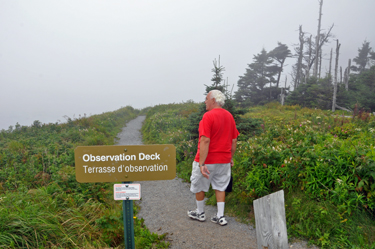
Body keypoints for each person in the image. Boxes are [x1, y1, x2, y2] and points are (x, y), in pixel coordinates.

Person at [187, 89, 239, 226]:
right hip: (224, 161)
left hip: (207, 160)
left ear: (213, 100)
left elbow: (205, 140)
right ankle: (220, 216)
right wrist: (230, 157)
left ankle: (200, 213)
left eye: (206, 99)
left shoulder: (208, 116)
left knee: (199, 186)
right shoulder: (229, 116)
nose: (205, 102)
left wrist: (202, 163)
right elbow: (234, 140)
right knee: (220, 186)